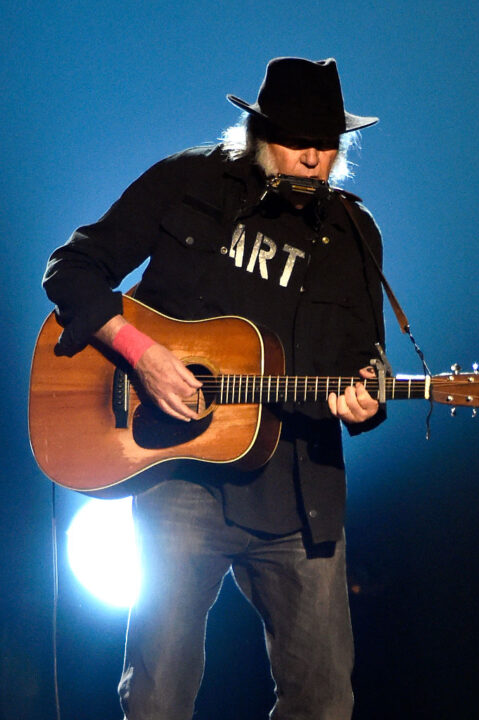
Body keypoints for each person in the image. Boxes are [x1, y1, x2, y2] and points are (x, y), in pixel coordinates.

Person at [43, 57, 386, 720]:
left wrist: (365, 400)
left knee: (324, 700)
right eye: (297, 142)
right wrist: (141, 355)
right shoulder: (188, 181)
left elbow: (362, 364)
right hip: (180, 480)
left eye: (326, 145)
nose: (313, 160)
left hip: (298, 496)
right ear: (260, 133)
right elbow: (73, 269)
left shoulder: (354, 235)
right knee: (158, 694)